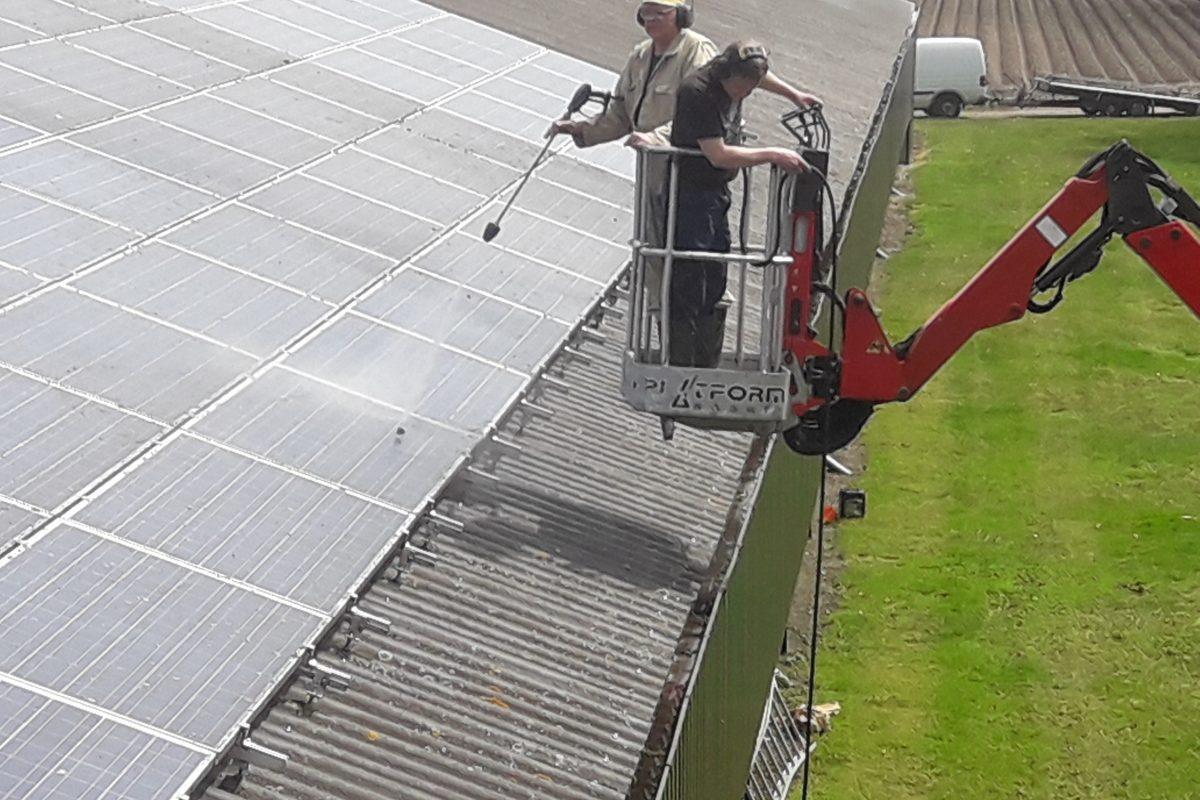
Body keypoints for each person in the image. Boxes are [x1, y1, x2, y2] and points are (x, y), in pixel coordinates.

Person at [551, 1, 717, 318]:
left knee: (685, 262)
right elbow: (620, 114)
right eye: (646, 14)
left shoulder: (697, 52)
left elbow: (699, 115)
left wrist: (656, 138)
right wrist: (580, 131)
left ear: (681, 16)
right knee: (651, 255)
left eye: (661, 14)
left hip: (687, 179)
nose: (651, 21)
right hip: (652, 174)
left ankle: (685, 336)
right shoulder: (640, 56)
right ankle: (660, 326)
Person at [666, 41, 817, 367]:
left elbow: (761, 77)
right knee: (690, 273)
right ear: (727, 73)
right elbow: (718, 154)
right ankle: (682, 361)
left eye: (752, 87)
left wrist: (794, 95)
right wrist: (772, 154)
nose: (746, 94)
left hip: (716, 194)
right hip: (691, 193)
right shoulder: (699, 93)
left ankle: (706, 360)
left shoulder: (738, 75)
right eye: (743, 87)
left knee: (716, 271)